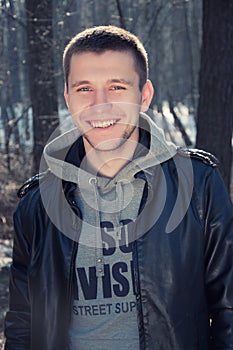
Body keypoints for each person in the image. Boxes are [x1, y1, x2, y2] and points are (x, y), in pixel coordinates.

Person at [4, 25, 233, 350]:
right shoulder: (37, 204)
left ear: (144, 96)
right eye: (84, 89)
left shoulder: (197, 185)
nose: (100, 105)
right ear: (68, 98)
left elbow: (228, 311)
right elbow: (22, 325)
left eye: (116, 87)